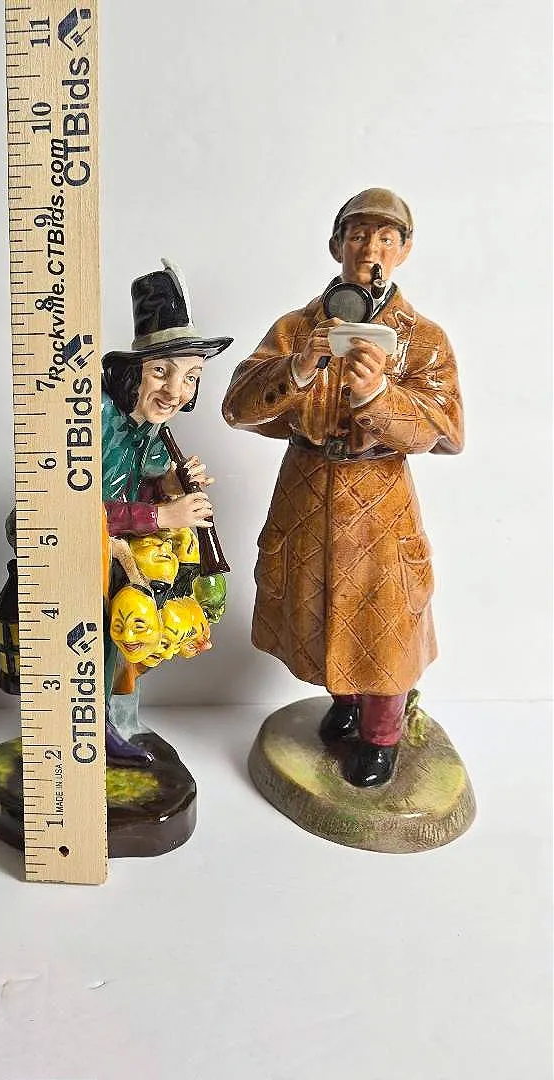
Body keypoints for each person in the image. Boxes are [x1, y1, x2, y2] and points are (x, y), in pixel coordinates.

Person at [221, 188, 463, 786]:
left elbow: (447, 430)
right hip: (306, 490)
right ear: (336, 245)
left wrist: (379, 395)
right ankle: (345, 700)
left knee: (384, 617)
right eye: (358, 236)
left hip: (379, 500)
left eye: (385, 238)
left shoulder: (423, 339)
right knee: (315, 603)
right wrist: (298, 369)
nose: (370, 249)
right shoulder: (297, 328)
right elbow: (237, 407)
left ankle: (382, 735)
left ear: (404, 250)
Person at [100, 260, 233, 759]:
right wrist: (162, 517)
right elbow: (79, 509)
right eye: (161, 371)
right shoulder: (99, 419)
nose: (176, 391)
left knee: (137, 638)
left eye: (190, 377)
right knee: (106, 636)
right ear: (134, 372)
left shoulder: (150, 426)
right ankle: (96, 726)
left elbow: (140, 485)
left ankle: (122, 719)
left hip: (129, 553)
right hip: (88, 556)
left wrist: (172, 485)